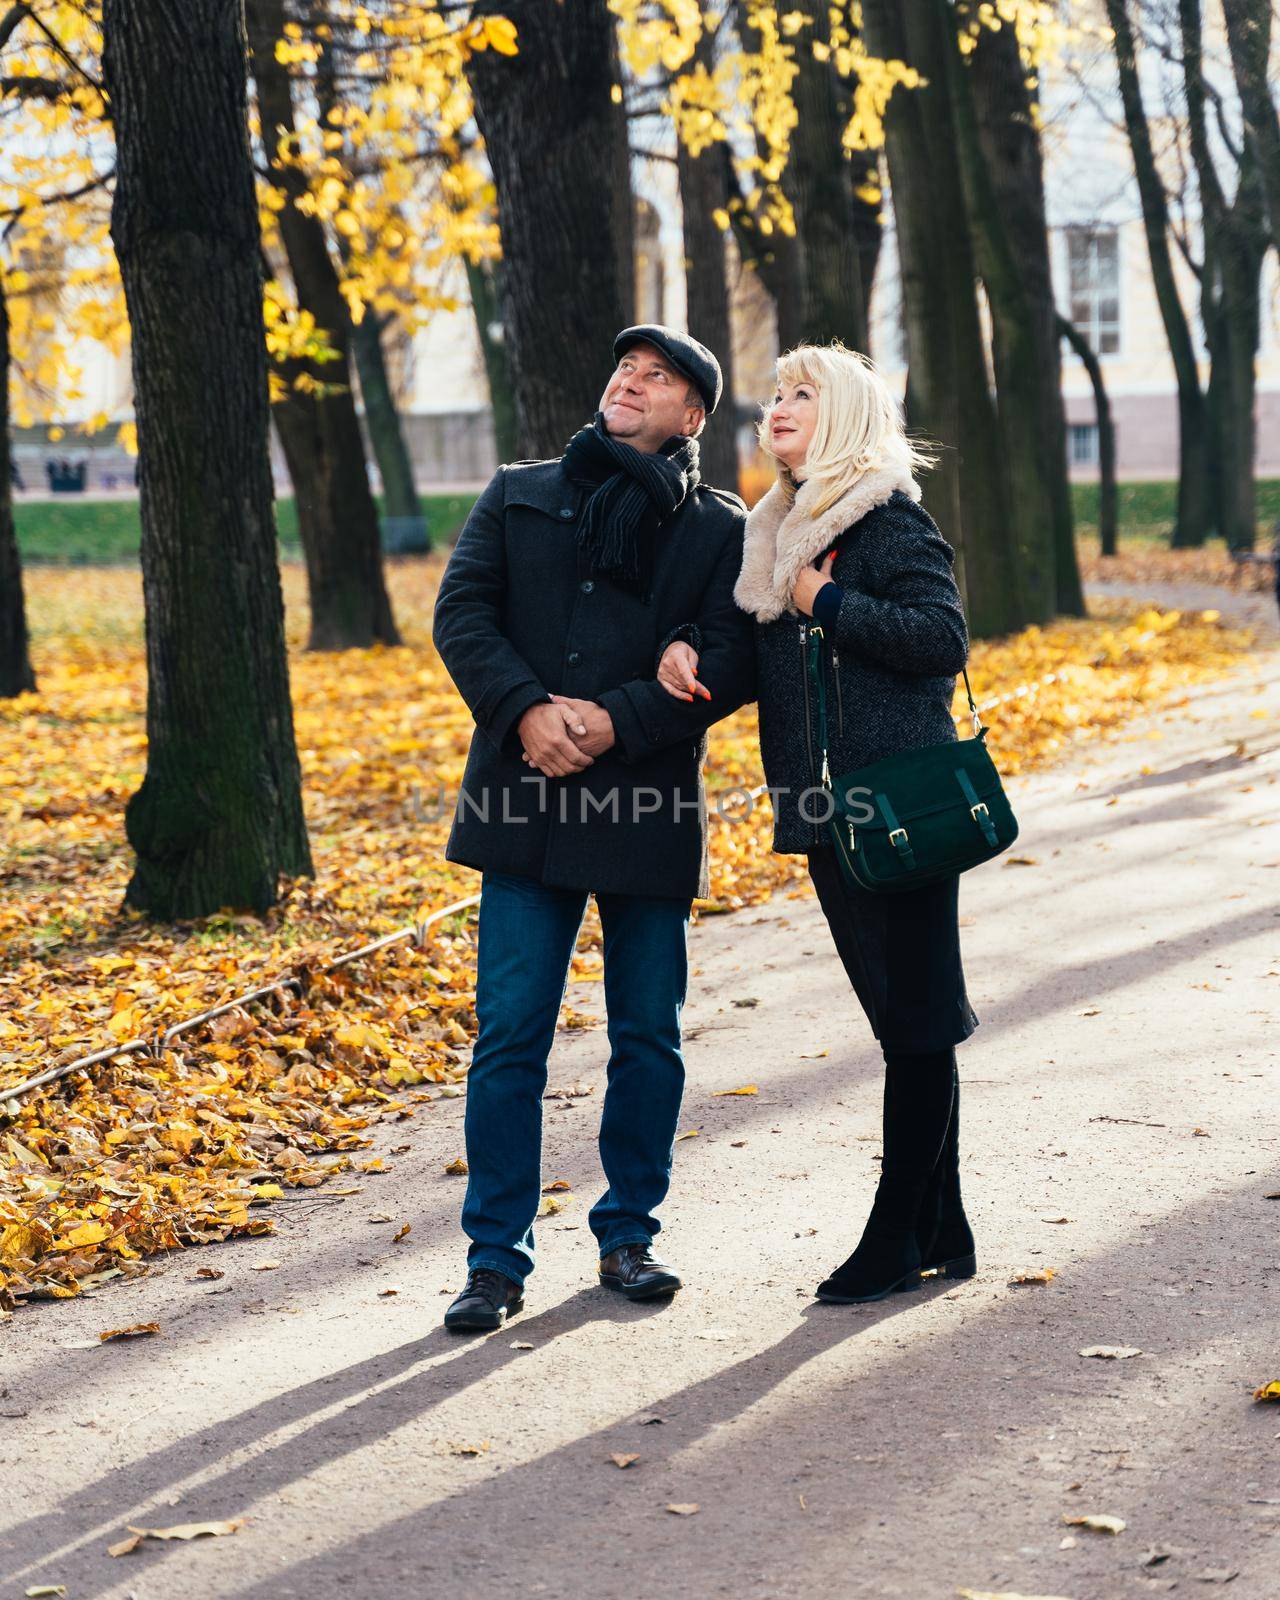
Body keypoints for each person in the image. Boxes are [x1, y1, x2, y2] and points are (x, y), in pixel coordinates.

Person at [431, 325, 756, 1332]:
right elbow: (461, 614)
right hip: (521, 797)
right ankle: (493, 1259)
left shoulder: (717, 527)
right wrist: (528, 709)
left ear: (690, 414)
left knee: (646, 1036)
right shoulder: (520, 490)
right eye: (623, 367)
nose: (629, 380)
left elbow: (731, 659)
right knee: (511, 1035)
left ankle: (628, 1234)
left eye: (656, 376)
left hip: (644, 805)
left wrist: (617, 718)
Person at [657, 342, 980, 1305]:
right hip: (828, 811)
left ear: (843, 414)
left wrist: (826, 599)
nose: (779, 407)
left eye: (803, 393)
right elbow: (769, 664)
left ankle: (894, 1237)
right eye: (775, 394)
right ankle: (945, 1226)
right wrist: (690, 654)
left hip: (899, 808)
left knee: (914, 1022)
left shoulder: (883, 521)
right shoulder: (778, 532)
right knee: (904, 1022)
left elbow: (940, 639)